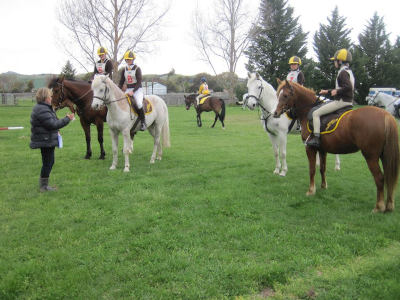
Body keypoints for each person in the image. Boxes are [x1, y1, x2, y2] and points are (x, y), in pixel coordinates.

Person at [307, 49, 355, 148]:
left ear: (340, 61)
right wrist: (327, 91)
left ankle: (316, 138)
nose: (334, 62)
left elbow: (348, 87)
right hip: (348, 101)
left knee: (316, 113)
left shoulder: (342, 73)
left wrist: (337, 91)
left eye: (335, 60)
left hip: (341, 102)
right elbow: (343, 88)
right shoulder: (348, 71)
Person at [30, 87, 74, 192]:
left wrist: (59, 126)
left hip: (46, 139)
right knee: (48, 162)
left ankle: (44, 186)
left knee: (49, 162)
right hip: (45, 140)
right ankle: (43, 187)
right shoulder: (42, 109)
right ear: (45, 98)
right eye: (50, 96)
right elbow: (52, 124)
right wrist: (67, 119)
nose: (51, 98)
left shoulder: (44, 108)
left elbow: (52, 122)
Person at [118, 50, 146, 131]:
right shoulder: (124, 69)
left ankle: (143, 122)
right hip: (128, 89)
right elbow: (121, 82)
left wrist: (133, 91)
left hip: (137, 89)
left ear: (133, 59)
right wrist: (117, 90)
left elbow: (139, 81)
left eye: (130, 59)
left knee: (139, 103)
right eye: (127, 59)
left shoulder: (137, 68)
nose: (128, 61)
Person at [287, 56, 305, 130]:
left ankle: (300, 124)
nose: (293, 65)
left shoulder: (300, 74)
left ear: (298, 65)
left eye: (294, 64)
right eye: (291, 64)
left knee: (298, 106)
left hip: (298, 93)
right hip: (289, 94)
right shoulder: (289, 74)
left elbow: (300, 85)